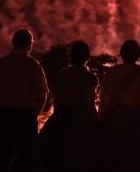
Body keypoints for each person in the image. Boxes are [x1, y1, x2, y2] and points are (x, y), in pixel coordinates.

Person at [0, 29, 48, 172]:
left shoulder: (0, 65)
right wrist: (34, 115)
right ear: (30, 45)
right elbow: (43, 95)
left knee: (2, 160)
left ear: (13, 43)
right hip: (26, 116)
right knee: (25, 161)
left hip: (4, 116)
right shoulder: (33, 65)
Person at [38, 40, 99, 172]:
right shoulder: (91, 78)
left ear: (71, 56)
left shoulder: (62, 75)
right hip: (84, 124)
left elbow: (58, 100)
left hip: (62, 121)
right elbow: (90, 105)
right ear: (87, 57)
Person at [99, 39, 140, 172]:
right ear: (138, 55)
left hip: (115, 118)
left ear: (122, 54)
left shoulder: (112, 72)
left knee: (115, 154)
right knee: (134, 156)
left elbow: (103, 98)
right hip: (136, 119)